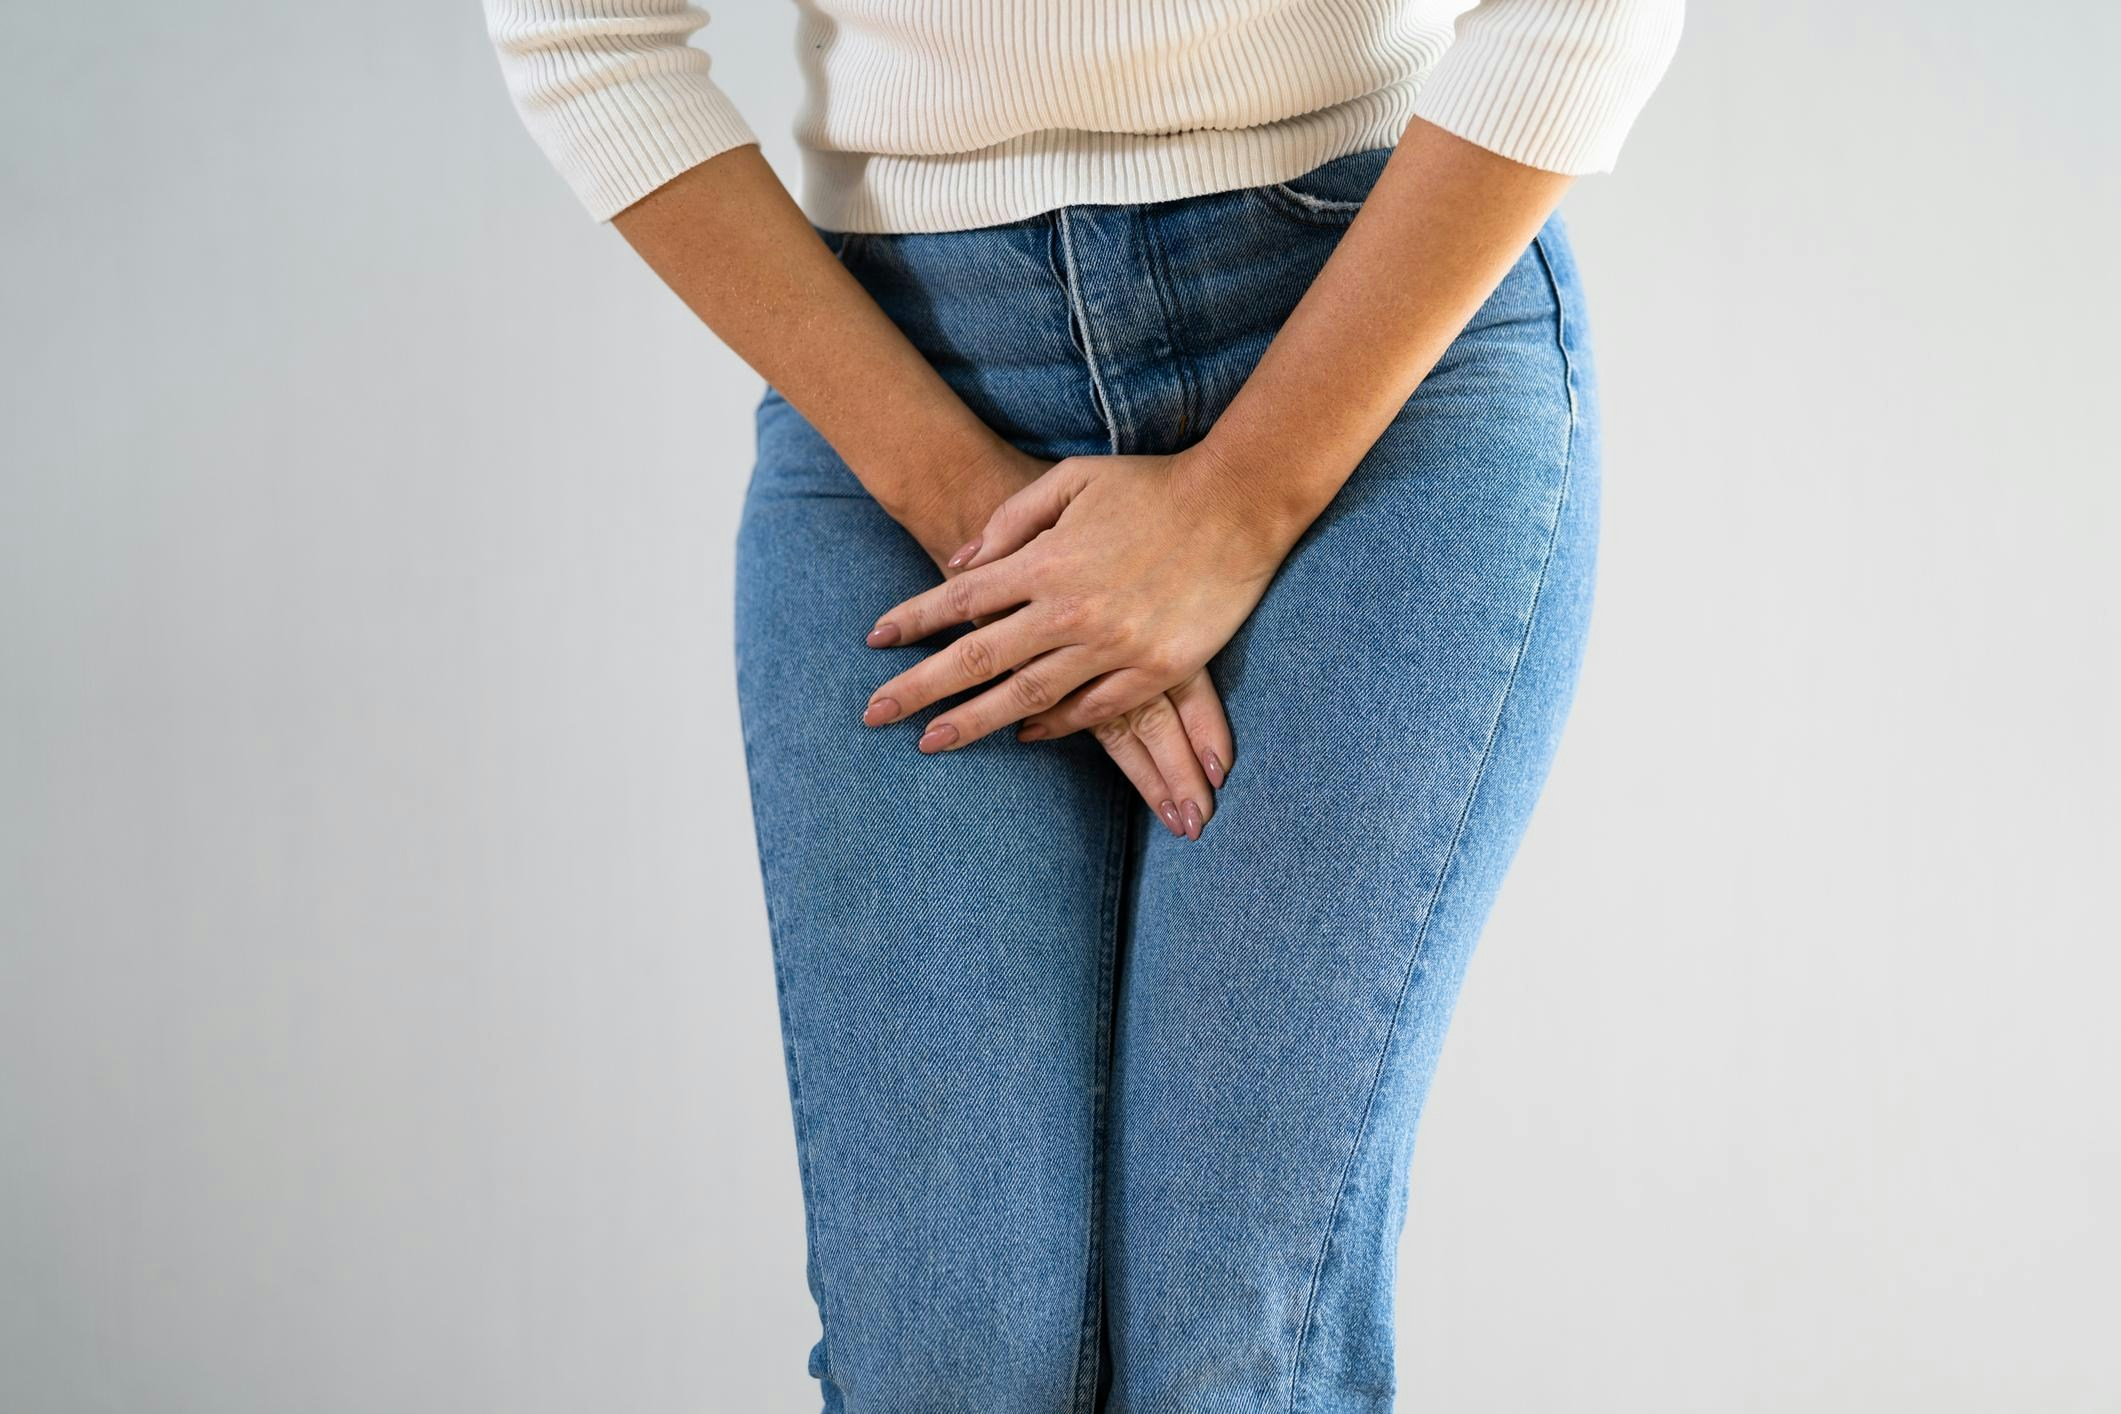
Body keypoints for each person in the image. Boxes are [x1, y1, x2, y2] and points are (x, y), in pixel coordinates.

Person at [481, 1, 1683, 1408]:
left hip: (1363, 328)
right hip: (901, 374)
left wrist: (1237, 507)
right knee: (946, 1358)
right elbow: (580, 30)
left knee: (1235, 1351)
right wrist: (977, 516)